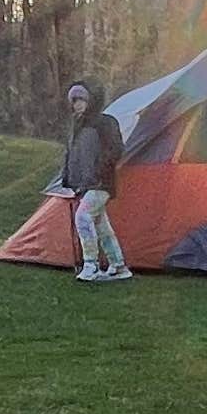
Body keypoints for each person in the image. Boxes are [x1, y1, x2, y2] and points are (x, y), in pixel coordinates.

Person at [59, 79, 130, 283]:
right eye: (74, 100)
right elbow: (71, 155)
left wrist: (99, 171)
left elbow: (115, 149)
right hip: (84, 184)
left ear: (91, 100)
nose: (77, 104)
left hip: (100, 183)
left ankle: (91, 265)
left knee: (83, 217)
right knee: (100, 225)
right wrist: (68, 179)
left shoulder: (105, 122)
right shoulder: (76, 126)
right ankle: (118, 266)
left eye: (81, 99)